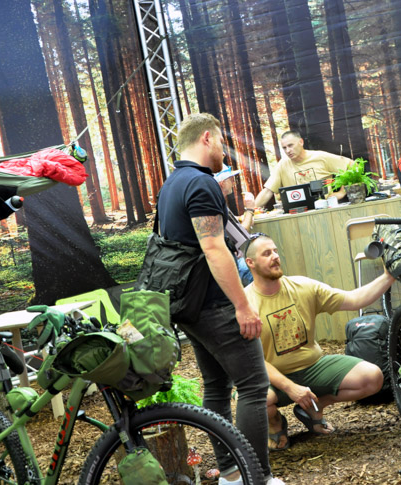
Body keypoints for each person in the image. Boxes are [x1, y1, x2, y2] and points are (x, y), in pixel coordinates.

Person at [157, 113, 284, 485]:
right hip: (211, 305)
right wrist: (242, 306)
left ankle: (230, 472)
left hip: (187, 308)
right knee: (253, 385)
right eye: (223, 146)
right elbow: (215, 248)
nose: (225, 156)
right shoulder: (201, 184)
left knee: (216, 386)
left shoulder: (172, 184)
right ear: (208, 138)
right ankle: (255, 476)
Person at [243, 234, 394, 451]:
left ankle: (313, 408)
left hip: (312, 367)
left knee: (372, 378)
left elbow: (355, 299)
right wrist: (291, 388)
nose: (275, 257)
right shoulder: (245, 304)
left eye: (275, 251)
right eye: (266, 254)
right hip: (271, 377)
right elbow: (253, 361)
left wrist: (389, 277)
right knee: (258, 400)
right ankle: (275, 423)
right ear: (251, 263)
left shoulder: (302, 287)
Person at [254, 131, 353, 208]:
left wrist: (342, 192)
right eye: (284, 148)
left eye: (290, 145)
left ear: (301, 142)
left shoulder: (320, 157)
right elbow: (268, 191)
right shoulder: (282, 164)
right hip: (298, 212)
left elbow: (352, 165)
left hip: (325, 208)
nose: (288, 151)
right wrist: (251, 211)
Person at [215, 163, 255, 286]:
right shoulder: (219, 204)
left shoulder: (215, 200)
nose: (233, 182)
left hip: (223, 262)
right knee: (258, 267)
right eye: (230, 179)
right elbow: (242, 234)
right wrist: (250, 210)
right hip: (232, 263)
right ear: (222, 183)